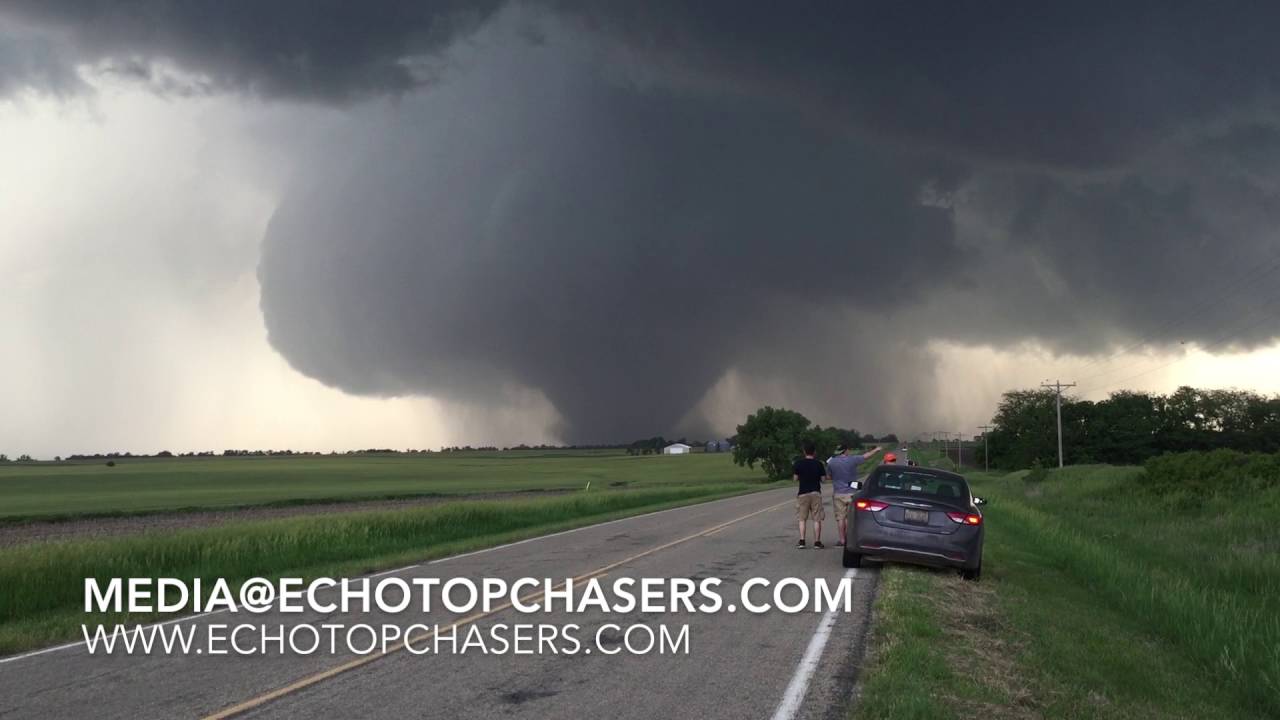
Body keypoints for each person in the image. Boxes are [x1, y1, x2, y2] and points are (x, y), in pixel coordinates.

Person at [827, 443, 881, 547]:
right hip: (852, 492)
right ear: (846, 450)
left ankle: (842, 540)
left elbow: (829, 477)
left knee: (840, 518)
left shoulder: (832, 462)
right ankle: (848, 539)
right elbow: (866, 456)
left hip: (838, 493)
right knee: (849, 518)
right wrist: (876, 450)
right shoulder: (852, 459)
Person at [793, 442, 829, 549]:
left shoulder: (798, 463)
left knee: (802, 518)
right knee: (816, 518)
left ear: (804, 451)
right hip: (815, 493)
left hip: (803, 493)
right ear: (814, 452)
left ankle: (802, 541)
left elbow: (795, 479)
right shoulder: (818, 464)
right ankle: (817, 542)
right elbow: (823, 480)